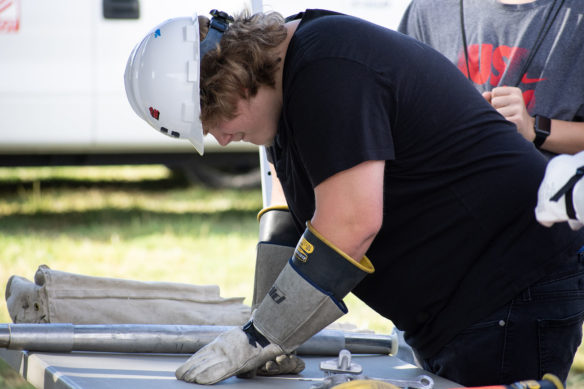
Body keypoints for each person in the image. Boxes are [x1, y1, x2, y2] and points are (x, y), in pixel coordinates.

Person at [124, 8, 584, 386]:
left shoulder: (327, 69)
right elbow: (288, 220)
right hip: (467, 305)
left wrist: (262, 335)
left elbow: (351, 225)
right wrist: (269, 338)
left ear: (231, 83)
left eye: (213, 122)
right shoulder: (285, 86)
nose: (221, 141)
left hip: (510, 290)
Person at [398, 0, 584, 156]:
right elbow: (396, 117)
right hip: (445, 191)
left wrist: (532, 127)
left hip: (544, 194)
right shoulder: (429, 8)